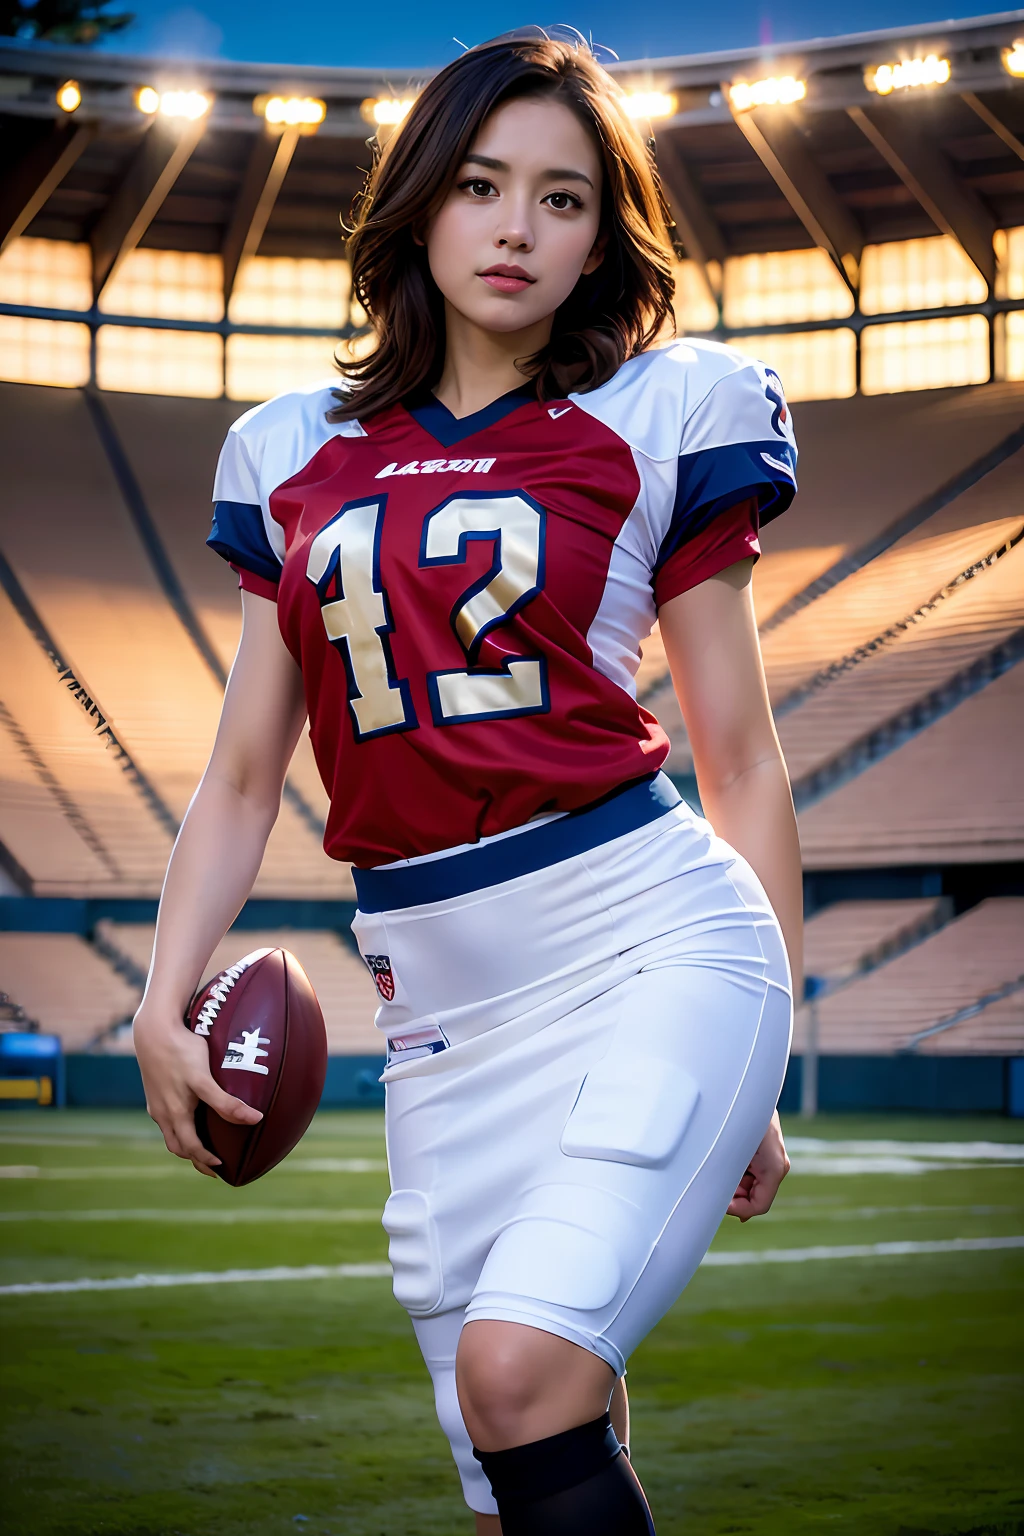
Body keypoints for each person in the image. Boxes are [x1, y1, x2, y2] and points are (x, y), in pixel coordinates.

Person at [134, 27, 800, 1535]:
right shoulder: (288, 447)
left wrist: (761, 1058)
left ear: (599, 239)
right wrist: (157, 1000)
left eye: (563, 200)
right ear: (419, 205)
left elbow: (742, 756)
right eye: (484, 184)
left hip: (653, 935)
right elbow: (247, 776)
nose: (516, 227)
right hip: (437, 1014)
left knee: (519, 1374)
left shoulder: (661, 413)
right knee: (517, 1470)